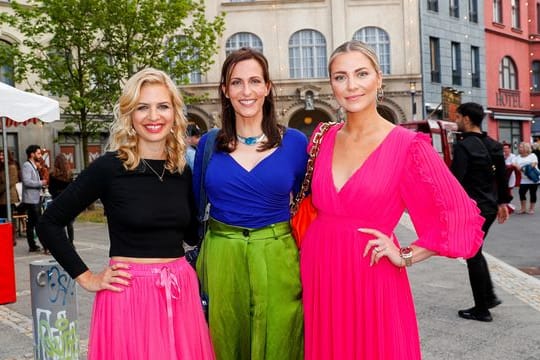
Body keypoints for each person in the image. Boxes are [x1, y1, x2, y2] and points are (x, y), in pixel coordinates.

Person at [299, 40, 484, 359]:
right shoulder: (322, 136)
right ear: (331, 84)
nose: (351, 85)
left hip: (372, 270)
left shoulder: (408, 145)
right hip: (320, 268)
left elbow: (460, 215)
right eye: (340, 77)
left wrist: (407, 255)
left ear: (379, 78)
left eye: (361, 74)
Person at [37, 68, 214, 360]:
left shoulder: (181, 170)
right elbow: (50, 222)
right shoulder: (110, 167)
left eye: (162, 106)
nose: (153, 116)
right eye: (142, 107)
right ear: (130, 115)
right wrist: (87, 277)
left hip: (180, 291)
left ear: (175, 114)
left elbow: (191, 235)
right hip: (128, 296)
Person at [193, 48, 308, 360]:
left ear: (268, 88)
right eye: (236, 82)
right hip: (221, 256)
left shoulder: (296, 143)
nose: (246, 91)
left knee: (282, 338)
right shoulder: (208, 145)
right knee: (224, 341)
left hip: (278, 256)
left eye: (255, 81)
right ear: (225, 90)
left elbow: (308, 203)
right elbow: (193, 207)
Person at [451, 102, 510, 322]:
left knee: (472, 253)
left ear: (466, 119)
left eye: (458, 117)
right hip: (490, 207)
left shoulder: (463, 146)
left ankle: (482, 308)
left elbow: (456, 181)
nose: (456, 120)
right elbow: (502, 177)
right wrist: (503, 202)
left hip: (472, 209)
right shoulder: (493, 145)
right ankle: (488, 297)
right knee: (475, 251)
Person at [22, 144, 47, 252]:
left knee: (31, 223)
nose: (40, 155)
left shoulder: (33, 165)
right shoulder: (27, 165)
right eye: (38, 153)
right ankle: (46, 246)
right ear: (32, 154)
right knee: (38, 223)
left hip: (34, 198)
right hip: (31, 199)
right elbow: (26, 181)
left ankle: (32, 245)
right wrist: (41, 183)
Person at [48, 153, 75, 244]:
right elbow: (72, 188)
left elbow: (50, 189)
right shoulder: (69, 174)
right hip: (68, 201)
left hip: (57, 201)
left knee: (60, 223)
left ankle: (62, 242)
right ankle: (71, 242)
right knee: (69, 223)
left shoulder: (52, 175)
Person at [514, 141, 539, 214]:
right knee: (521, 193)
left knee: (532, 193)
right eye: (520, 147)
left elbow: (534, 164)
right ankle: (523, 208)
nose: (519, 148)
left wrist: (522, 168)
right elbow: (514, 164)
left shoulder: (532, 155)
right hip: (523, 180)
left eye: (521, 147)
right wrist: (516, 166)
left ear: (526, 148)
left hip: (533, 179)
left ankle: (531, 209)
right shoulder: (517, 157)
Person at [0, 150, 19, 244]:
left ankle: (12, 238)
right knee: (3, 219)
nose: (1, 157)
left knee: (9, 218)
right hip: (2, 198)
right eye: (0, 155)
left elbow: (9, 182)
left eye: (3, 155)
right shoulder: (2, 167)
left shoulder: (12, 167)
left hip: (9, 197)